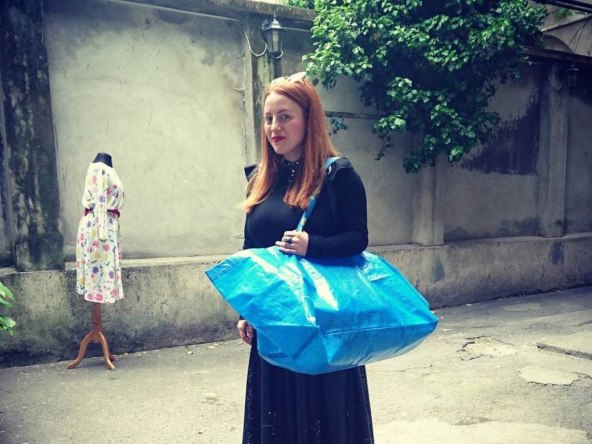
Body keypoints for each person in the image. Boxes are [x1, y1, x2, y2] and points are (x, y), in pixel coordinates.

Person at [237, 73, 374, 443]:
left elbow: (358, 238)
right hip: (273, 322)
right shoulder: (259, 179)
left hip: (323, 323)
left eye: (285, 117)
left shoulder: (338, 175)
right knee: (276, 418)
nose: (274, 127)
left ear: (308, 119)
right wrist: (246, 309)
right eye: (268, 118)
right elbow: (251, 251)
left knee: (326, 420)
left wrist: (312, 245)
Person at [76, 152, 125, 304]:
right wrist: (102, 233)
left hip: (104, 223)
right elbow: (100, 200)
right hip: (99, 225)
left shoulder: (106, 168)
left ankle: (98, 318)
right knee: (99, 269)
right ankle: (96, 318)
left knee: (102, 270)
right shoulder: (100, 168)